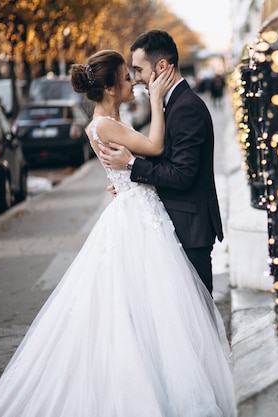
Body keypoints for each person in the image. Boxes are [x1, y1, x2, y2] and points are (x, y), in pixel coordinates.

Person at [0, 50, 236, 417]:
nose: (134, 83)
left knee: (145, 306)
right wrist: (158, 103)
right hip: (138, 219)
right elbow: (157, 146)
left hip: (137, 210)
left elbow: (139, 160)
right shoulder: (106, 124)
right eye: (127, 78)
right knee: (150, 305)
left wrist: (130, 172)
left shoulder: (106, 121)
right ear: (112, 88)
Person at [98, 30, 223, 295]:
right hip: (177, 225)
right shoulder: (173, 104)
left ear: (162, 66)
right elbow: (166, 159)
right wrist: (132, 185)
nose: (137, 78)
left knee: (198, 319)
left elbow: (182, 175)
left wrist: (132, 165)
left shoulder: (185, 108)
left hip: (190, 229)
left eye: (139, 70)